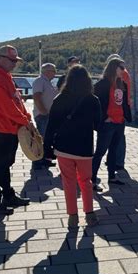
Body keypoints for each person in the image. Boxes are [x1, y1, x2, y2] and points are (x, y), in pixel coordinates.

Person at [44, 65, 101, 227]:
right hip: (84, 148)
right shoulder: (93, 100)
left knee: (68, 182)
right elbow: (98, 125)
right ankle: (89, 214)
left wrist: (47, 148)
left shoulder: (60, 99)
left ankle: (72, 216)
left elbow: (51, 126)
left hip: (63, 148)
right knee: (86, 181)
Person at [0, 45, 31, 215]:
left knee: (6, 162)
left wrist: (26, 115)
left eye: (16, 61)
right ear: (0, 57)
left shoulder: (4, 74)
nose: (15, 64)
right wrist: (25, 120)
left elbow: (15, 99)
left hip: (9, 125)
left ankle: (8, 195)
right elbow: (5, 105)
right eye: (12, 60)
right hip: (3, 125)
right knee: (1, 162)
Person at [92, 58, 129, 191]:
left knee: (113, 150)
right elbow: (96, 103)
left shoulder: (121, 83)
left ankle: (112, 177)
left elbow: (123, 102)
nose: (124, 71)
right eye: (122, 68)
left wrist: (125, 116)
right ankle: (92, 179)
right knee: (100, 152)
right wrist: (105, 118)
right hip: (108, 123)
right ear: (114, 68)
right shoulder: (102, 84)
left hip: (119, 122)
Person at [32, 63, 58, 169]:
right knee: (40, 139)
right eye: (53, 71)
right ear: (47, 71)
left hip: (48, 115)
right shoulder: (39, 81)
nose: (55, 73)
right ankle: (37, 161)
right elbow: (36, 96)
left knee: (46, 139)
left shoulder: (47, 82)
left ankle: (45, 159)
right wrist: (43, 111)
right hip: (42, 115)